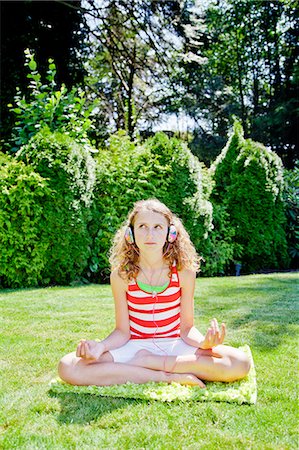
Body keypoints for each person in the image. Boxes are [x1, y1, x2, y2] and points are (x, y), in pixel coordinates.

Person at [58, 199, 251, 387]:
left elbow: (186, 329)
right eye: (142, 226)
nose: (150, 234)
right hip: (135, 346)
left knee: (240, 362)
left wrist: (204, 342)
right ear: (130, 234)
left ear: (171, 233)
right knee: (68, 366)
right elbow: (122, 332)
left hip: (174, 344)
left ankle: (149, 363)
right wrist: (101, 346)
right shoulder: (121, 276)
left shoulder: (184, 272)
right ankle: (167, 377)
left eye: (158, 227)